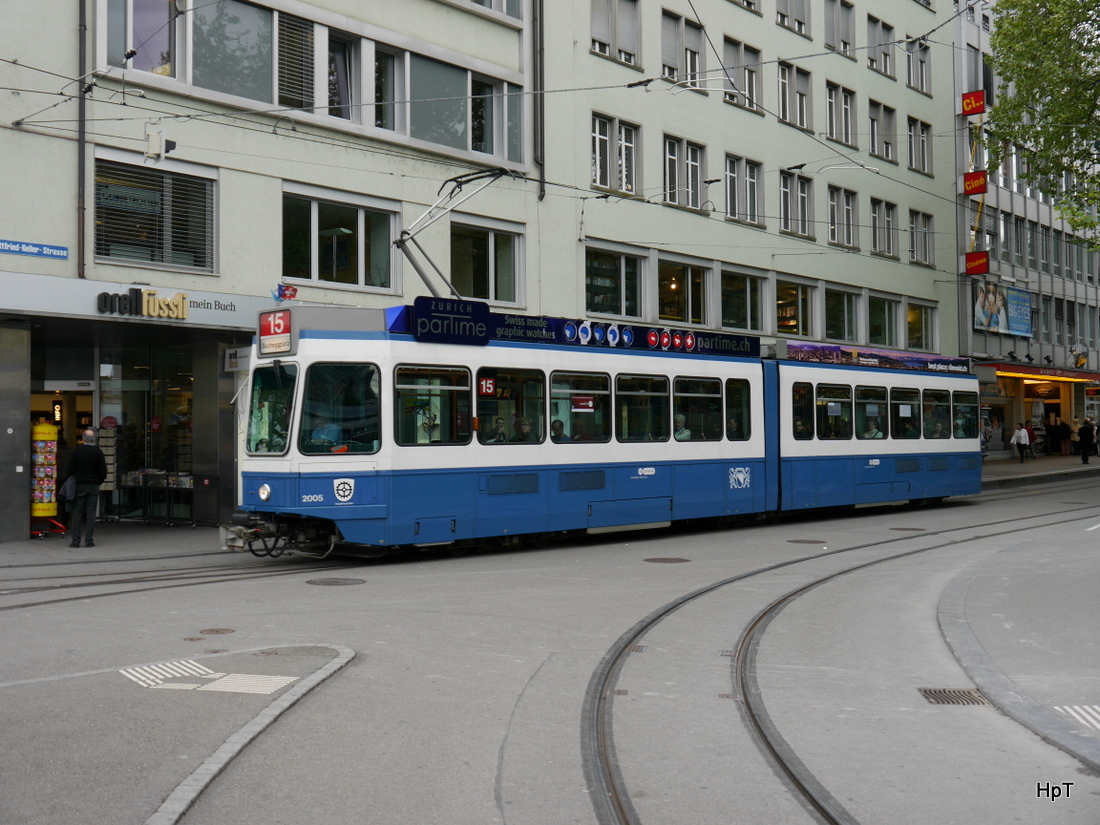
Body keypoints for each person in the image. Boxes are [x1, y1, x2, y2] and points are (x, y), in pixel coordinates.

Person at [67, 428, 107, 548]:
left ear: (83, 439)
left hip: (79, 485)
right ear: (93, 439)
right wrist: (98, 482)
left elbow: (70, 469)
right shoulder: (98, 452)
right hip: (93, 485)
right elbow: (103, 472)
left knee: (77, 512)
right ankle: (89, 541)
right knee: (91, 513)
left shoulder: (77, 451)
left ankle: (75, 541)